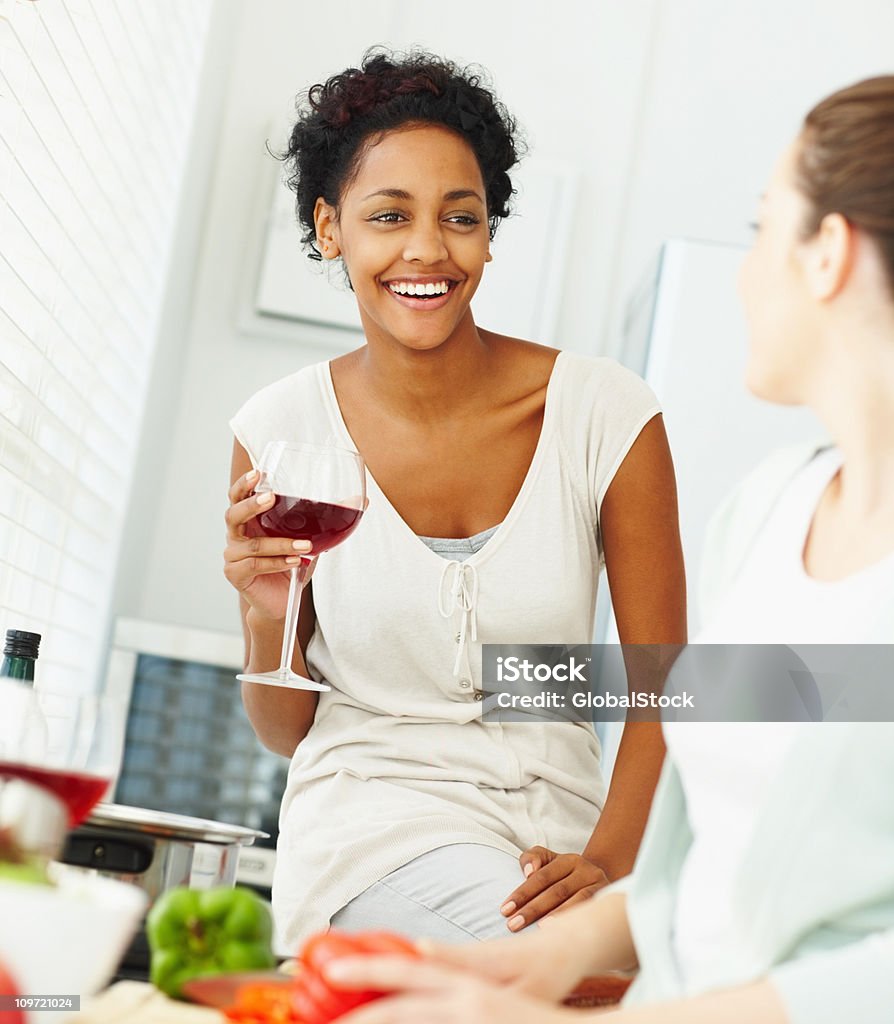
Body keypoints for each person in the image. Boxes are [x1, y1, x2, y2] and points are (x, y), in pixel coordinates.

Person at [318, 75, 894, 1023]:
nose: (747, 272)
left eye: (761, 229)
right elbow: (711, 862)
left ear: (826, 253)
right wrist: (556, 953)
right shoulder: (767, 515)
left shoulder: (600, 413)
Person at [223, 49, 686, 951]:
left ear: (488, 232)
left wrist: (611, 862)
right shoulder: (283, 429)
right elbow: (287, 732)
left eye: (459, 217)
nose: (427, 250)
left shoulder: (605, 415)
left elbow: (665, 688)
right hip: (375, 837)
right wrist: (265, 612)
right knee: (585, 983)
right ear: (331, 229)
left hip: (564, 845)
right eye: (388, 216)